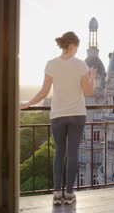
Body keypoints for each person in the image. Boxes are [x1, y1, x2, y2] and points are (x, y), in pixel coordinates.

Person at [20, 31, 97, 205]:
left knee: (59, 153)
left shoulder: (51, 64)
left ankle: (56, 194)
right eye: (77, 47)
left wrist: (27, 104)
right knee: (73, 154)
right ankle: (69, 194)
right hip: (77, 115)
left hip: (58, 116)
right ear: (73, 45)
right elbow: (88, 92)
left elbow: (44, 92)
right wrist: (92, 77)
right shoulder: (80, 64)